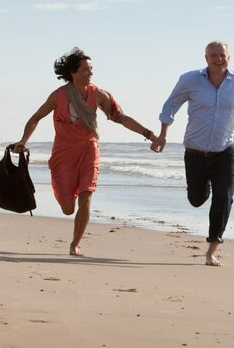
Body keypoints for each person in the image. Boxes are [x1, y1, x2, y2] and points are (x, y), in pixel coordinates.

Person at [150, 41, 234, 266]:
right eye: (213, 55)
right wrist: (163, 134)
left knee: (224, 199)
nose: (218, 59)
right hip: (195, 152)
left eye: (222, 55)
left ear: (229, 57)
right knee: (196, 200)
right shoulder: (190, 80)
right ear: (206, 58)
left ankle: (212, 250)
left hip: (225, 152)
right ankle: (202, 189)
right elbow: (170, 106)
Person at [13, 47, 157, 257]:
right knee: (68, 208)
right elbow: (36, 118)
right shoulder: (59, 96)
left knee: (86, 195)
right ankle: (66, 202)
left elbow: (121, 117)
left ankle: (75, 244)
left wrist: (148, 133)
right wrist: (23, 141)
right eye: (86, 69)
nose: (90, 73)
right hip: (64, 153)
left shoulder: (98, 94)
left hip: (89, 148)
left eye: (91, 69)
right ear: (73, 72)